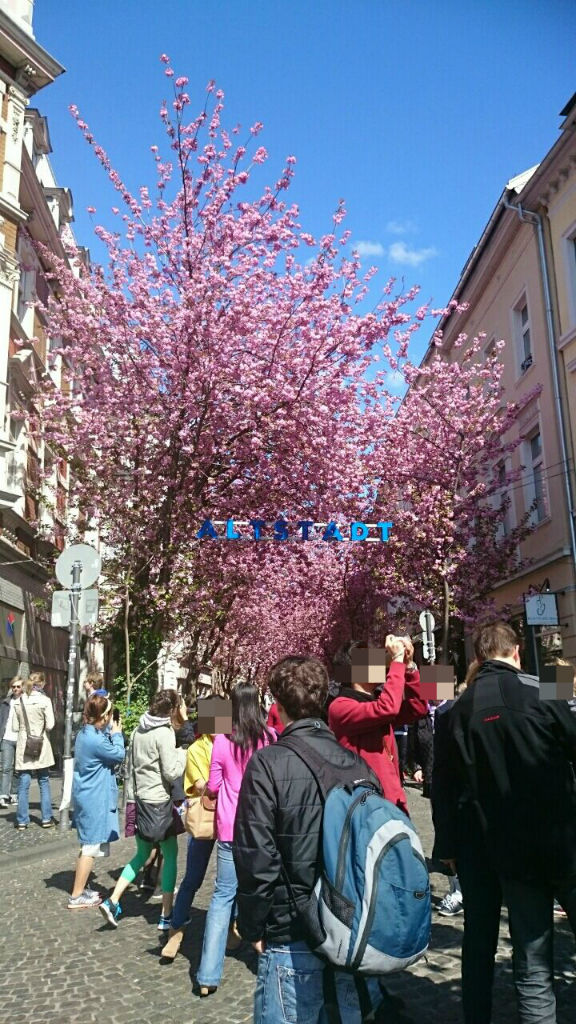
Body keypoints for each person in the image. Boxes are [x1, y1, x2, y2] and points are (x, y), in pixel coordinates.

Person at [433, 620, 576, 1024]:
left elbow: (441, 785)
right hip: (562, 836)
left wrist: (446, 847)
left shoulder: (453, 711)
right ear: (517, 653)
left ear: (478, 658)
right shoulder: (549, 685)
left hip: (499, 846)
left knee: (529, 962)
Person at [233, 655, 390, 1024]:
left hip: (292, 930)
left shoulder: (267, 764)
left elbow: (257, 858)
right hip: (349, 929)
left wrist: (253, 926)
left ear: (279, 705)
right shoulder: (357, 764)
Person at [195, 681, 276, 997]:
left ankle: (207, 975)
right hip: (261, 828)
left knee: (221, 898)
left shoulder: (222, 742)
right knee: (263, 892)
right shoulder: (270, 739)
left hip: (229, 828)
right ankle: (269, 960)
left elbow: (214, 786)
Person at [99, 689, 187, 930]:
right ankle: (166, 914)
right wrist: (183, 753)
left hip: (138, 801)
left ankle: (113, 900)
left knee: (140, 855)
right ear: (171, 710)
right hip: (159, 803)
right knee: (170, 856)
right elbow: (171, 771)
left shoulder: (138, 730)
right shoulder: (164, 733)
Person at [328, 635, 428, 814]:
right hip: (367, 809)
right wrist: (397, 662)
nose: (380, 662)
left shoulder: (375, 702)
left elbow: (418, 708)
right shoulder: (340, 707)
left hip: (393, 803)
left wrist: (410, 666)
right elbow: (387, 709)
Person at [162, 728, 216, 961]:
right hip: (205, 816)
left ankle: (233, 925)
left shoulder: (235, 743)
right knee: (193, 877)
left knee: (230, 880)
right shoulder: (196, 748)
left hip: (232, 816)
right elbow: (200, 784)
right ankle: (176, 927)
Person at [68, 695, 125, 909]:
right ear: (103, 716)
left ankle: (81, 888)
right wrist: (117, 734)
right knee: (90, 847)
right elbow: (118, 754)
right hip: (93, 797)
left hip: (86, 794)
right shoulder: (96, 739)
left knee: (87, 844)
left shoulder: (86, 733)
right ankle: (76, 895)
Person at [13, 671, 56, 829]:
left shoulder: (18, 701)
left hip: (24, 745)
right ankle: (46, 818)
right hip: (41, 743)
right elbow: (50, 725)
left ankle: (22, 821)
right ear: (42, 684)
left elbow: (14, 727)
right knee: (43, 781)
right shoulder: (45, 700)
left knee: (23, 783)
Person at [0, 676, 24, 808]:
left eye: (18, 686)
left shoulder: (26, 701)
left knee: (17, 769)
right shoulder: (6, 702)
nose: (15, 689)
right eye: (13, 686)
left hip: (20, 738)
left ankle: (14, 794)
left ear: (22, 688)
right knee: (5, 768)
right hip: (7, 738)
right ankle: (3, 795)